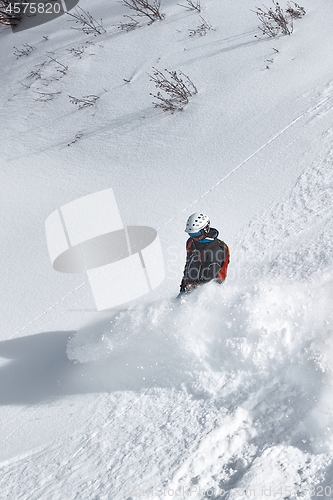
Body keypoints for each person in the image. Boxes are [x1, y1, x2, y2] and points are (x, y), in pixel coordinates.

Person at [179, 213, 230, 295]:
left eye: (196, 234)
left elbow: (211, 276)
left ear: (205, 230)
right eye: (191, 234)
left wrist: (196, 289)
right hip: (190, 288)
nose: (194, 237)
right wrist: (183, 285)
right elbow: (188, 264)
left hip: (208, 292)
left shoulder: (216, 250)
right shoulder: (191, 242)